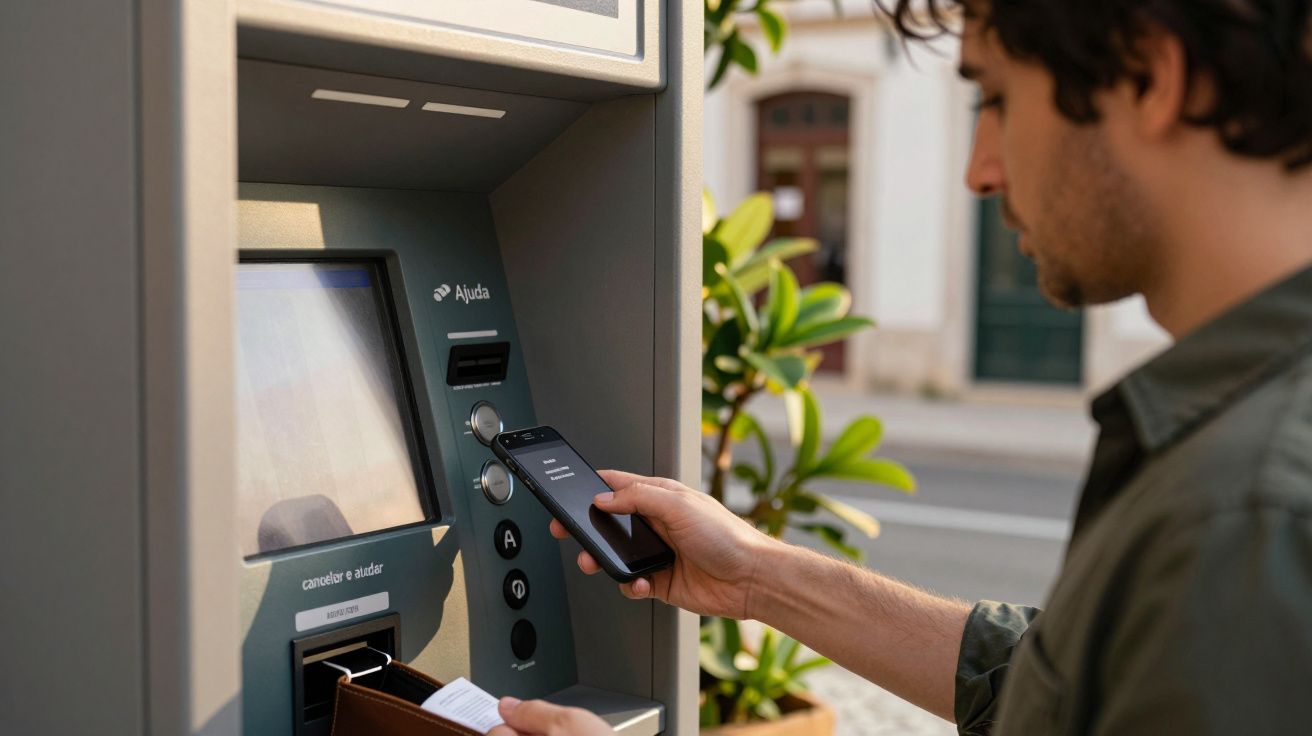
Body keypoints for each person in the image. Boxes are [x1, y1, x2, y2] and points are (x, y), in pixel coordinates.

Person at [489, 0, 1312, 733]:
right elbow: (1052, 688)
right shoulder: (1246, 450)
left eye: (995, 97)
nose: (978, 169)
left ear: (1149, 77)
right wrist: (761, 577)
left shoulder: (1246, 511)